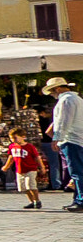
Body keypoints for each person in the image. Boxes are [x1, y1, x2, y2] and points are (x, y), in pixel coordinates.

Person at [48, 76, 83, 212]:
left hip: (71, 139)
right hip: (78, 138)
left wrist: (57, 138)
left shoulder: (66, 100)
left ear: (57, 89)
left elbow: (63, 121)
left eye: (52, 92)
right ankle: (77, 198)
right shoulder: (78, 99)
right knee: (77, 171)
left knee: (76, 171)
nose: (52, 95)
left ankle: (80, 200)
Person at [2, 131, 45, 210]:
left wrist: (42, 167)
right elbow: (11, 157)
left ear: (23, 137)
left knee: (31, 185)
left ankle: (37, 200)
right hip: (20, 170)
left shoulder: (29, 147)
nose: (13, 140)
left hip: (30, 169)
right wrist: (6, 166)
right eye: (11, 138)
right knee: (24, 187)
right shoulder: (12, 147)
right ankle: (32, 201)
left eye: (15, 138)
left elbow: (37, 157)